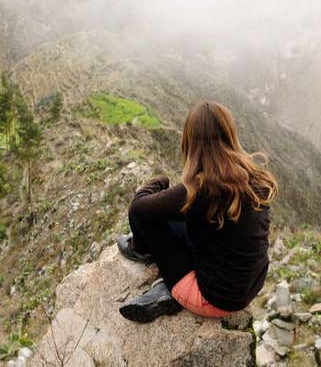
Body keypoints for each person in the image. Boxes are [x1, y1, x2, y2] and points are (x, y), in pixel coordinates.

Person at [117, 100, 278, 322]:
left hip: (212, 299)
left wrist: (160, 180)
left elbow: (139, 208)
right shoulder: (254, 176)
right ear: (230, 135)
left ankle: (144, 254)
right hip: (250, 286)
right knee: (180, 221)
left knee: (147, 218)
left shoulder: (202, 189)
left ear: (190, 140)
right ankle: (165, 277)